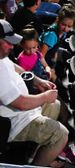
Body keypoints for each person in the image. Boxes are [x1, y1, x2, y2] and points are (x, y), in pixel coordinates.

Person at [0, 19, 70, 166]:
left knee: (55, 105)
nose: (12, 46)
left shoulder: (3, 57)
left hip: (23, 112)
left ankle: (34, 152)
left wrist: (38, 81)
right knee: (61, 134)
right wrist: (44, 96)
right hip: (14, 122)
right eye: (8, 42)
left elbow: (15, 67)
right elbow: (21, 103)